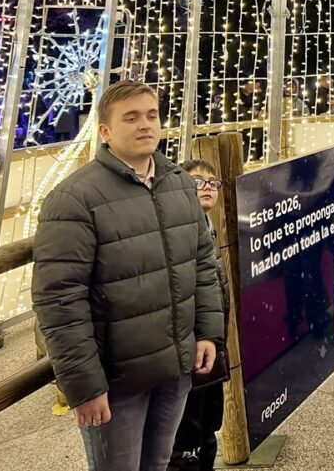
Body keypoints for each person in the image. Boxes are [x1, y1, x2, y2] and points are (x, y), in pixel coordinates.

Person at [32, 80, 224, 471]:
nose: (145, 125)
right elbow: (59, 300)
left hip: (175, 368)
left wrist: (207, 333)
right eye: (131, 117)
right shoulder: (75, 199)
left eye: (152, 115)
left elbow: (202, 264)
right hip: (118, 382)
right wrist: (84, 386)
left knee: (158, 464)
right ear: (105, 130)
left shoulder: (178, 184)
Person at [169, 160, 230, 471]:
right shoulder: (180, 239)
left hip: (211, 353)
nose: (207, 187)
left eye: (212, 182)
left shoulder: (209, 232)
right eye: (198, 181)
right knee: (185, 442)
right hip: (189, 357)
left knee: (208, 431)